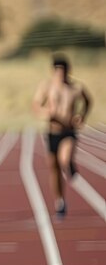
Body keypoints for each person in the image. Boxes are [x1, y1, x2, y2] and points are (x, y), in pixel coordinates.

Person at [32, 53, 91, 218]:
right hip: (52, 132)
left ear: (67, 71)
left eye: (63, 70)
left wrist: (82, 115)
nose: (60, 73)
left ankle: (69, 164)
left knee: (63, 160)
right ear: (53, 71)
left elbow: (88, 101)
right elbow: (36, 104)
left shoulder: (75, 88)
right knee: (54, 168)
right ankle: (59, 201)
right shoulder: (47, 87)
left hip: (68, 131)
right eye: (57, 70)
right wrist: (46, 112)